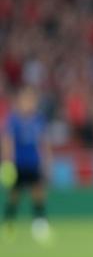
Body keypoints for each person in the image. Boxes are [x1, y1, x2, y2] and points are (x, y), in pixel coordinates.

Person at [1, 85, 52, 243]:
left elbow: (44, 143)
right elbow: (7, 142)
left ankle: (40, 226)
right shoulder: (13, 120)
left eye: (32, 100)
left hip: (33, 163)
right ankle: (8, 225)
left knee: (38, 195)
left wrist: (47, 161)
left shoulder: (38, 119)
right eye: (26, 100)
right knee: (14, 196)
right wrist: (7, 162)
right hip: (18, 165)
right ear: (20, 101)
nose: (29, 103)